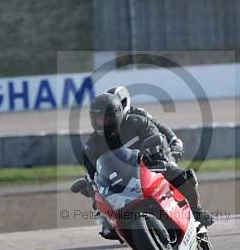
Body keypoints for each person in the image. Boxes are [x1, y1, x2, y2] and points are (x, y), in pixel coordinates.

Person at [82, 93, 214, 241]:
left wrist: (159, 151)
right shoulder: (91, 145)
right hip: (121, 183)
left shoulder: (136, 121)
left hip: (149, 167)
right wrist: (90, 184)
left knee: (182, 176)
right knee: (100, 201)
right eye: (98, 119)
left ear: (116, 114)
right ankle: (115, 225)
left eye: (106, 118)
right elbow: (93, 172)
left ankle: (196, 211)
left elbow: (154, 134)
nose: (102, 122)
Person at [106, 86, 185, 161]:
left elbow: (157, 125)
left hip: (148, 158)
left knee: (171, 169)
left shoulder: (138, 113)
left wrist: (173, 140)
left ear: (124, 102)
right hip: (124, 164)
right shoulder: (106, 123)